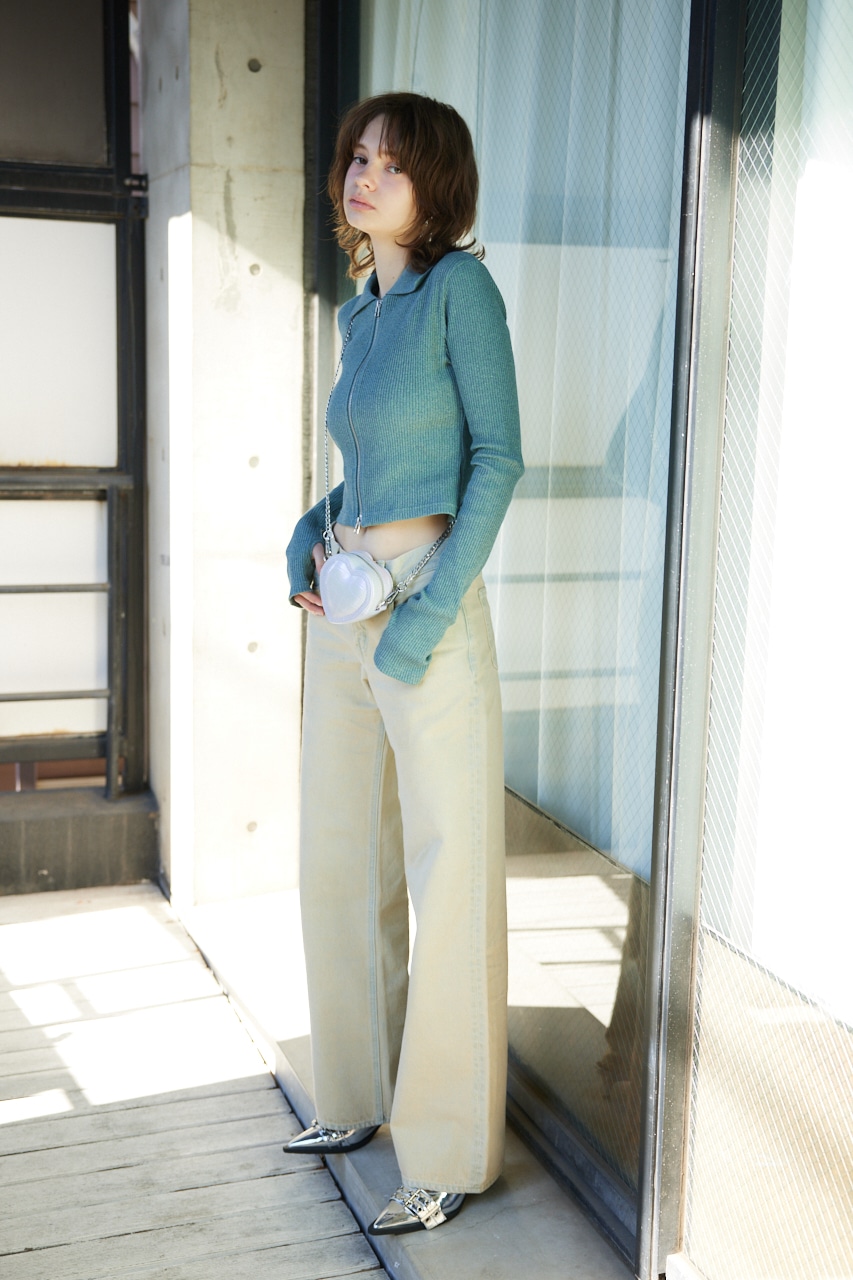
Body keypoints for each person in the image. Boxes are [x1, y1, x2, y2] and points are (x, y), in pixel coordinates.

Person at [283, 90, 523, 1236]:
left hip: (425, 607)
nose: (363, 174)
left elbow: (496, 458)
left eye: (390, 161)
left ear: (435, 186)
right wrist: (308, 529)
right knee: (339, 855)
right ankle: (355, 1094)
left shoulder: (457, 291)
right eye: (357, 156)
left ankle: (448, 1150)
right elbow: (367, 467)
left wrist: (428, 617)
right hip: (342, 604)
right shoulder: (361, 309)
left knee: (449, 870)